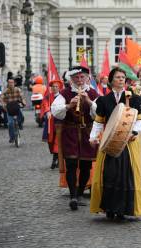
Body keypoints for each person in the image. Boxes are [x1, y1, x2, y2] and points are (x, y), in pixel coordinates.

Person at [89, 67, 141, 220]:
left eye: (123, 77)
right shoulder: (103, 100)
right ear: (111, 80)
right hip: (108, 143)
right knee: (109, 175)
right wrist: (92, 137)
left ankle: (123, 209)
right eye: (118, 77)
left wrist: (132, 133)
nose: (121, 80)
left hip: (127, 144)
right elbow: (99, 122)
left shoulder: (133, 98)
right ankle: (109, 208)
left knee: (125, 176)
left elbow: (140, 123)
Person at [51, 65, 99, 210]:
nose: (79, 80)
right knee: (71, 164)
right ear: (71, 79)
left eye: (82, 77)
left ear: (87, 78)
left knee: (85, 165)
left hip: (87, 132)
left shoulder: (93, 92)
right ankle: (72, 196)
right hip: (70, 132)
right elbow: (55, 111)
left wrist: (89, 102)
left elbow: (100, 114)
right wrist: (68, 105)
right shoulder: (64, 93)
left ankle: (79, 194)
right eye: (76, 77)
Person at [41, 79, 64, 169]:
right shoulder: (48, 97)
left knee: (57, 140)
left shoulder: (62, 97)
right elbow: (45, 104)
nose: (54, 88)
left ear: (59, 88)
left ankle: (55, 159)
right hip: (50, 122)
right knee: (50, 140)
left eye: (56, 87)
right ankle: (56, 157)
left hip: (59, 121)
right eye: (53, 87)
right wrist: (47, 111)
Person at [1, 77, 26, 143]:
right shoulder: (5, 91)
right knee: (10, 123)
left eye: (12, 82)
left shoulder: (18, 89)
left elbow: (22, 97)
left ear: (14, 83)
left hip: (17, 107)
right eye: (9, 82)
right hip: (9, 108)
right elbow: (2, 100)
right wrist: (4, 106)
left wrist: (23, 103)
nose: (11, 84)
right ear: (8, 83)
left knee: (21, 118)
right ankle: (12, 137)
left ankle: (20, 124)